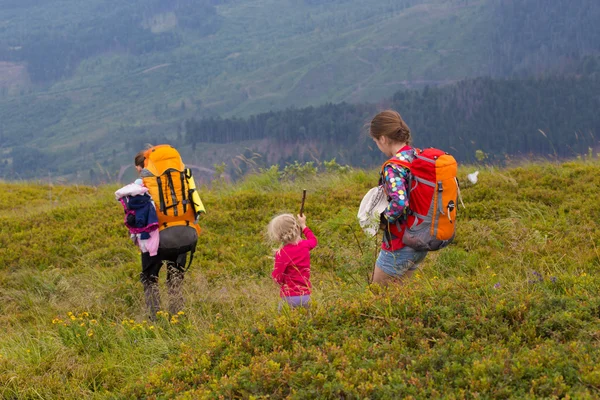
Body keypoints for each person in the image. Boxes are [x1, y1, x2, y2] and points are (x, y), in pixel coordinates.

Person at [133, 149, 196, 318]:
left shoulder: (142, 183)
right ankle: (178, 316)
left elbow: (136, 217)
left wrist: (136, 238)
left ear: (141, 166)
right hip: (184, 235)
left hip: (157, 241)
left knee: (150, 278)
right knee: (175, 278)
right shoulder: (179, 179)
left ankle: (155, 318)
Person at [369, 109, 428, 286]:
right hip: (422, 238)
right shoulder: (418, 155)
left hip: (400, 243)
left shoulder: (393, 166)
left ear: (383, 139)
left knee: (377, 296)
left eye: (376, 141)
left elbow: (400, 202)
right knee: (401, 297)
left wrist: (383, 219)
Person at [268, 213, 317, 309]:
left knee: (283, 321)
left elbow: (277, 278)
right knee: (308, 321)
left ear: (278, 235)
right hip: (306, 296)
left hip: (289, 297)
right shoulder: (305, 245)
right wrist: (304, 225)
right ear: (296, 228)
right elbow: (313, 240)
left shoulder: (282, 253)